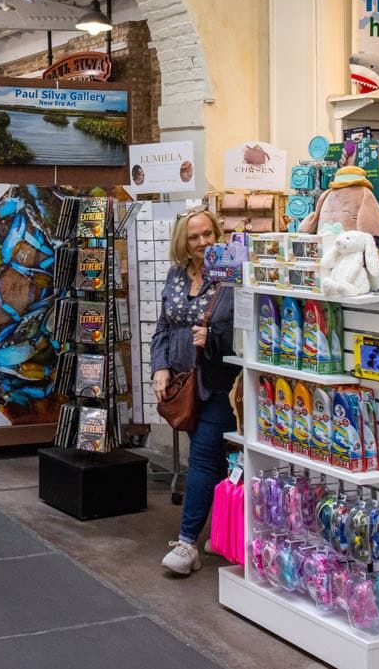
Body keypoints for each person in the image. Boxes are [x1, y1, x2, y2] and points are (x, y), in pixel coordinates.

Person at [152, 208, 238, 576]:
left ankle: (187, 543)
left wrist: (214, 338)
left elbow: (247, 327)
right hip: (183, 383)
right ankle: (224, 533)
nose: (203, 242)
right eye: (194, 237)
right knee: (217, 462)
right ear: (182, 244)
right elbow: (163, 326)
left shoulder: (231, 276)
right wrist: (160, 366)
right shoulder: (175, 276)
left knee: (201, 458)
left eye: (208, 234)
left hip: (219, 383)